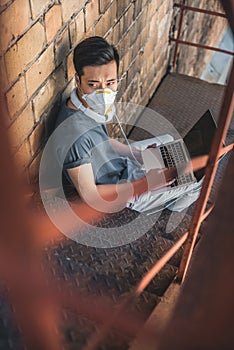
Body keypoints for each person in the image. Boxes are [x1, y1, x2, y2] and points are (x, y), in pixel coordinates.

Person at [53, 36, 202, 216]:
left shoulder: (83, 105)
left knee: (170, 143)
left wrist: (141, 156)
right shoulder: (73, 134)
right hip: (123, 193)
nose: (104, 92)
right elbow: (90, 195)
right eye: (93, 84)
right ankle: (166, 211)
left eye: (110, 83)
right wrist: (146, 184)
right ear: (78, 80)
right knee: (200, 178)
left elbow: (102, 142)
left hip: (121, 165)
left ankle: (166, 188)